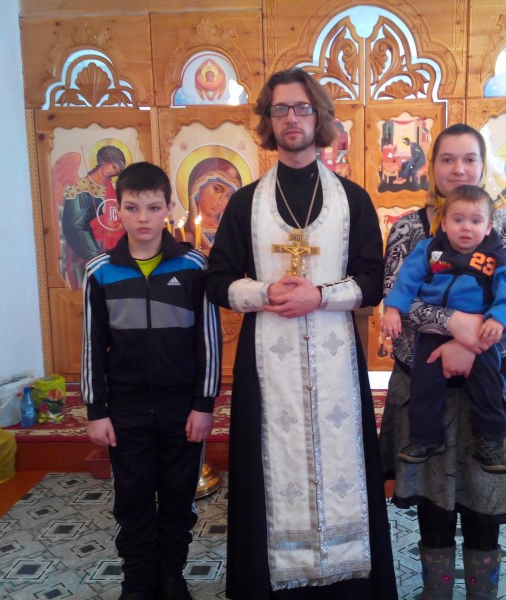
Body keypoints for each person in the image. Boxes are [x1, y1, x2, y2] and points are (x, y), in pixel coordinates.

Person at [206, 67, 397, 599]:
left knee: (346, 467)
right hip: (267, 367)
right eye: (281, 109)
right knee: (268, 472)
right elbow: (217, 281)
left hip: (337, 365)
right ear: (268, 121)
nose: (292, 118)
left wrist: (320, 296)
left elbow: (372, 279)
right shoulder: (245, 203)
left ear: (319, 116)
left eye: (302, 107)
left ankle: (349, 586)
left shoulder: (352, 200)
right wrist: (265, 292)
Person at [379, 124, 506, 599]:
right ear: (431, 166)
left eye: (469, 159)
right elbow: (397, 294)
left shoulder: (505, 224)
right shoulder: (409, 227)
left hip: (488, 378)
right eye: (447, 159)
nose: (458, 168)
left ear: (482, 165)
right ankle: (437, 593)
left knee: (484, 500)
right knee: (432, 504)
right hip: (422, 379)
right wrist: (453, 324)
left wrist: (468, 345)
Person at [82, 161, 222, 600]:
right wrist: (96, 410)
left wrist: (204, 404)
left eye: (153, 207)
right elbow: (92, 346)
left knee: (179, 497)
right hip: (126, 410)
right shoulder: (100, 271)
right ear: (118, 209)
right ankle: (139, 579)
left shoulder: (194, 266)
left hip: (182, 408)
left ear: (168, 208)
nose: (143, 218)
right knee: (133, 498)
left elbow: (209, 341)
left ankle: (171, 576)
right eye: (132, 207)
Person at [381, 186, 506, 472]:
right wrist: (392, 309)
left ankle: (490, 440)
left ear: (488, 226)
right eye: (458, 220)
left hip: (480, 331)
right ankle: (426, 438)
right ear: (444, 223)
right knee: (424, 383)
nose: (466, 227)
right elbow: (406, 280)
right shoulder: (430, 250)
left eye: (475, 221)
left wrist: (497, 319)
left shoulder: (495, 257)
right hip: (433, 331)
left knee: (487, 384)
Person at [61, 145, 126, 288]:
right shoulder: (80, 189)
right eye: (113, 166)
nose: (113, 171)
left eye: (116, 170)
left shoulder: (111, 192)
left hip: (109, 253)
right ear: (104, 161)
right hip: (87, 256)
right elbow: (75, 227)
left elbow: (117, 218)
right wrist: (97, 255)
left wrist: (121, 226)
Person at [184, 157, 242, 251]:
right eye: (217, 189)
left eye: (228, 196)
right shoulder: (184, 236)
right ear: (198, 189)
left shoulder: (232, 235)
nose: (220, 202)